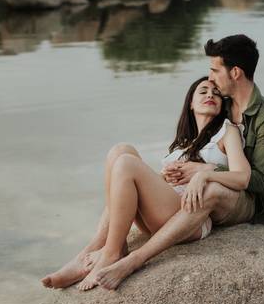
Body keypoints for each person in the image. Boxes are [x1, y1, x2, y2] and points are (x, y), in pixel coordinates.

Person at [91, 34, 264, 290]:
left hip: (249, 201)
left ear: (235, 72)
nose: (211, 78)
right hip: (217, 192)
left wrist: (206, 171)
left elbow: (258, 181)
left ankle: (135, 260)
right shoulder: (222, 105)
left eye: (215, 71)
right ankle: (97, 248)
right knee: (122, 156)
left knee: (210, 188)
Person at [40, 75, 251, 290]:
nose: (210, 95)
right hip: (164, 210)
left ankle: (111, 254)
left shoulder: (227, 132)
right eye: (203, 91)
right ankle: (101, 247)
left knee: (126, 163)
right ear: (190, 102)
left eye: (216, 93)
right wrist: (164, 178)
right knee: (120, 150)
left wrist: (204, 174)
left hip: (189, 217)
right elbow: (160, 186)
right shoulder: (182, 144)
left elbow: (242, 177)